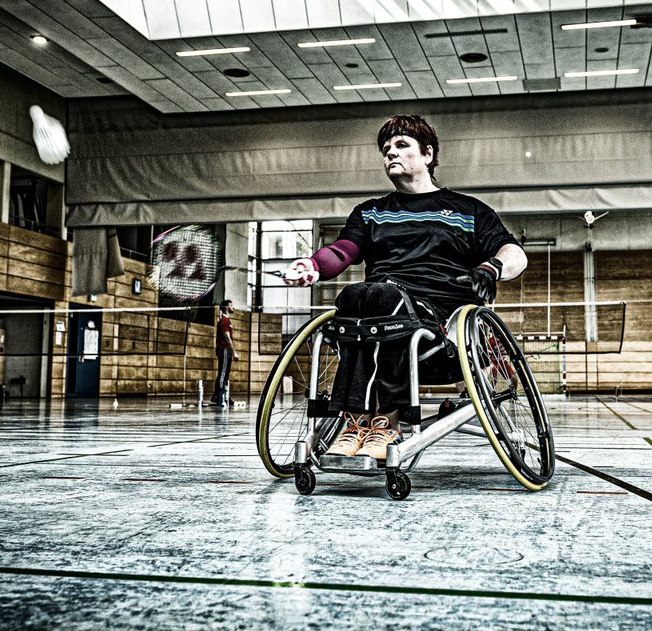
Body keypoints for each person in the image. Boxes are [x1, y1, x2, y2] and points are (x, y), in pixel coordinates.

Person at [281, 114, 526, 459]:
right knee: (354, 295)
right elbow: (342, 251)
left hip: (440, 323)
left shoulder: (468, 210)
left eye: (400, 145)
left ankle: (386, 422)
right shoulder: (370, 213)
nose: (390, 154)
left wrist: (491, 268)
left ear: (427, 154)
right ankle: (354, 422)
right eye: (385, 149)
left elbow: (514, 252)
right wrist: (314, 266)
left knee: (381, 297)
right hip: (376, 312)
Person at [210, 299, 240, 406]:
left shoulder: (227, 320)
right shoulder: (224, 320)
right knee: (223, 373)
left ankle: (223, 395)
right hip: (224, 349)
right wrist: (234, 352)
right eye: (231, 305)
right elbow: (227, 338)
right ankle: (219, 395)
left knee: (226, 373)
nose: (233, 307)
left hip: (225, 350)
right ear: (226, 307)